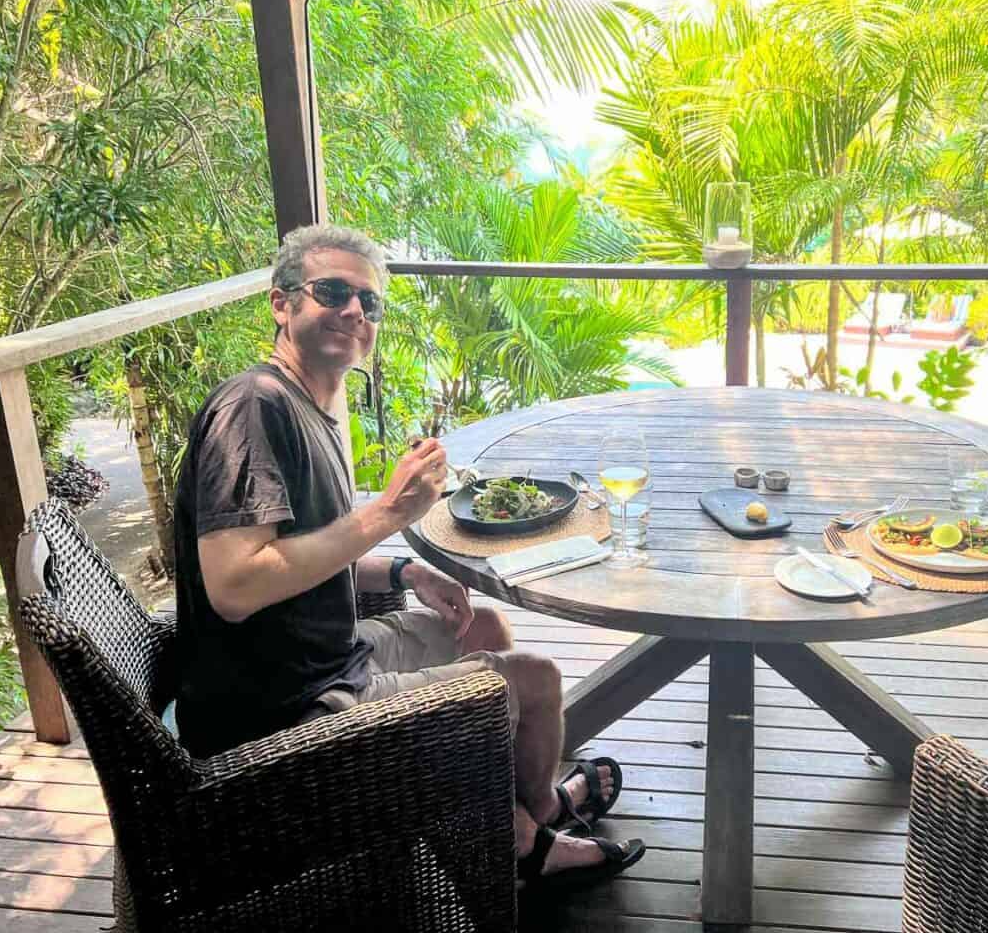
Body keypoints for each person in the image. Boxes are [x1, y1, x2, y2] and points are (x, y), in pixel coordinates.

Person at [172, 224, 643, 888]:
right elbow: (236, 585)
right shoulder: (254, 409)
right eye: (332, 292)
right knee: (536, 679)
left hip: (322, 655)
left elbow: (298, 552)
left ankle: (508, 808)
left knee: (479, 626)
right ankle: (529, 837)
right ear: (282, 304)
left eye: (368, 302)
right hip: (288, 710)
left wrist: (402, 570)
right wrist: (388, 514)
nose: (353, 311)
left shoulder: (315, 402)